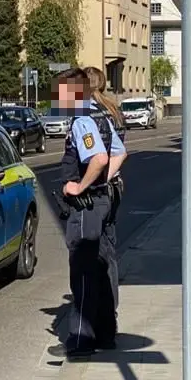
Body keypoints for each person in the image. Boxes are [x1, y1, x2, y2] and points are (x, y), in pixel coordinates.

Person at [51, 67, 122, 356]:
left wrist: (82, 187)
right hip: (102, 200)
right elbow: (119, 153)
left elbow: (101, 156)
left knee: (82, 271)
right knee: (102, 269)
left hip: (87, 206)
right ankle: (106, 335)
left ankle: (80, 340)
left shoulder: (82, 120)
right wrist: (104, 183)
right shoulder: (102, 114)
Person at [82, 66, 128, 336]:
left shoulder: (91, 113)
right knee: (108, 254)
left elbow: (109, 156)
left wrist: (98, 180)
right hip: (114, 189)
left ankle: (98, 322)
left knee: (94, 256)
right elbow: (120, 152)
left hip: (101, 192)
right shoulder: (113, 110)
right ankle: (108, 317)